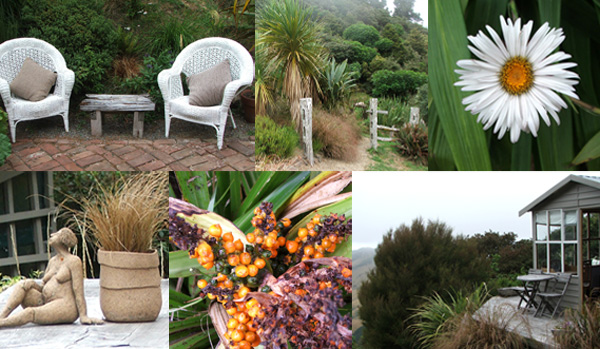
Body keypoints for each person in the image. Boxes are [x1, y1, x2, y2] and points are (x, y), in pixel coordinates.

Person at [0, 228, 103, 327]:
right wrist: (32, 284)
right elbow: (43, 287)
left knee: (30, 312)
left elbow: (78, 290)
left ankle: (2, 323)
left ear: (63, 238)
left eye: (56, 234)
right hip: (46, 301)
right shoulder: (52, 261)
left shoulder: (74, 261)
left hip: (64, 306)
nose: (52, 235)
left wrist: (83, 315)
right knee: (22, 285)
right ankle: (2, 316)